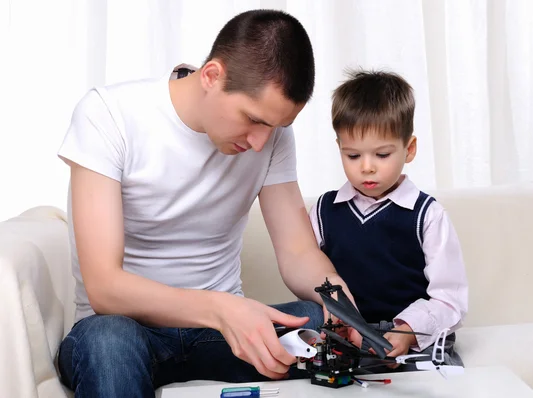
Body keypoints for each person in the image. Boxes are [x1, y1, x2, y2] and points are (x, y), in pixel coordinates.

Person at [56, 9, 357, 397]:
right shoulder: (109, 115)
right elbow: (105, 287)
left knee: (318, 320)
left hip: (220, 334)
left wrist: (340, 303)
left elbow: (299, 251)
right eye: (252, 119)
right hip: (124, 328)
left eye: (275, 127)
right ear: (212, 76)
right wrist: (222, 309)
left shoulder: (272, 141)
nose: (259, 142)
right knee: (107, 340)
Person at [309, 70, 469, 371]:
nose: (366, 168)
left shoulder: (427, 215)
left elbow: (451, 299)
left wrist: (408, 330)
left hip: (413, 336)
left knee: (430, 380)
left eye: (382, 154)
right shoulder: (323, 210)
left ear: (409, 149)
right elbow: (309, 278)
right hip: (347, 336)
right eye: (353, 156)